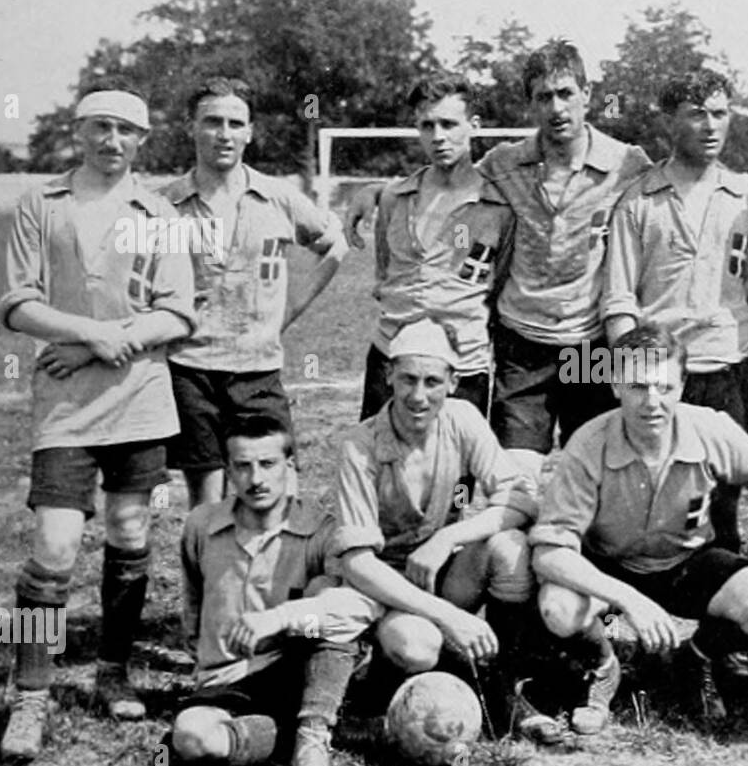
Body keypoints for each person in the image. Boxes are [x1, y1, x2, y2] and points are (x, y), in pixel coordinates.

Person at [0, 84, 196, 763]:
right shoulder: (41, 204)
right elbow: (18, 302)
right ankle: (31, 690)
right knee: (53, 548)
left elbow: (178, 311)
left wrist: (101, 340)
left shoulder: (159, 210)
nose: (113, 141)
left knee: (130, 530)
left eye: (127, 131)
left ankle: (114, 667)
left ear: (143, 141)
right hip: (64, 403)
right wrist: (87, 334)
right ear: (79, 132)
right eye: (101, 127)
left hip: (140, 392)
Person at [531, 324, 748, 731]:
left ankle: (694, 660)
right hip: (611, 563)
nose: (652, 402)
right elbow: (549, 554)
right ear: (615, 385)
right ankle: (604, 666)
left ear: (682, 385)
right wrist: (630, 600)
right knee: (558, 609)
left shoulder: (708, 427)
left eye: (664, 387)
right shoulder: (588, 443)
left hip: (688, 560)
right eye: (638, 386)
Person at [329, 319, 555, 740]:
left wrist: (448, 537)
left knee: (510, 549)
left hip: (441, 571)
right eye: (408, 379)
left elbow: (521, 499)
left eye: (432, 381)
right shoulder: (359, 446)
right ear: (388, 377)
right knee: (417, 647)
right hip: (386, 589)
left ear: (452, 382)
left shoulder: (462, 418)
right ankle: (381, 684)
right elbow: (357, 564)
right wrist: (450, 617)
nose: (419, 396)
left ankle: (502, 686)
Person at [603, 68, 748, 551]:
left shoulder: (747, 202)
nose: (710, 126)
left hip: (727, 369)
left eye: (720, 114)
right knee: (654, 504)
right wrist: (633, 377)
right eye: (696, 115)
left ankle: (722, 614)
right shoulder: (637, 201)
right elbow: (619, 300)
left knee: (723, 509)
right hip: (662, 377)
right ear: (668, 122)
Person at [163, 77, 347, 508]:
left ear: (250, 131)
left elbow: (332, 244)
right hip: (189, 369)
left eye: (234, 123)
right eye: (211, 122)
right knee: (207, 508)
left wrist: (286, 313)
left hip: (257, 369)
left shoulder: (278, 197)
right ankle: (205, 577)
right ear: (191, 127)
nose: (223, 134)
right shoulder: (164, 205)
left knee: (277, 498)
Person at [477, 40, 652, 478]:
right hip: (523, 345)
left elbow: (677, 187)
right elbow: (447, 184)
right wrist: (376, 192)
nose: (557, 108)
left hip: (588, 341)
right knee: (516, 479)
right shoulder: (504, 164)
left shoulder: (626, 164)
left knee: (594, 473)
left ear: (587, 95)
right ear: (530, 104)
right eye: (543, 96)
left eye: (566, 93)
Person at [171, 415, 368, 766]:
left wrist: (281, 619)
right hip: (226, 680)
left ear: (290, 467)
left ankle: (311, 736)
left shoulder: (320, 530)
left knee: (327, 608)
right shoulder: (201, 525)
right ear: (227, 470)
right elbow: (193, 596)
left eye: (267, 464)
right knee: (192, 740)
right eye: (242, 466)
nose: (255, 479)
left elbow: (348, 610)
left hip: (295, 669)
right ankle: (304, 734)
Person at [359, 72, 516, 420]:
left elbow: (499, 286)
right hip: (392, 358)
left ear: (473, 125)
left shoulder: (500, 208)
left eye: (449, 124)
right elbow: (385, 274)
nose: (438, 137)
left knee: (457, 473)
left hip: (462, 364)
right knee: (383, 464)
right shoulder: (394, 199)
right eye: (427, 126)